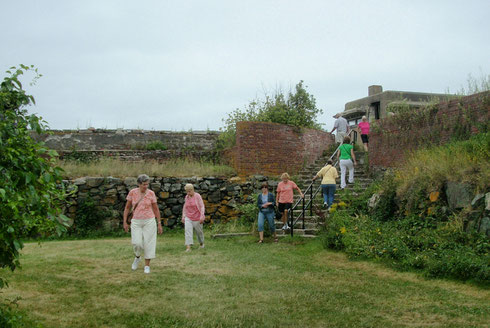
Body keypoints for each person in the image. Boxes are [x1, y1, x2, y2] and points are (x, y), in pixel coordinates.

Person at [123, 174, 163, 274]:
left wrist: (159, 223)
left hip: (149, 220)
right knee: (137, 243)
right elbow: (127, 208)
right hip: (136, 221)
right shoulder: (132, 192)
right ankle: (137, 257)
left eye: (147, 184)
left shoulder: (151, 193)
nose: (146, 186)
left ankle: (147, 266)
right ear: (139, 184)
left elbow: (155, 208)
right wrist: (125, 222)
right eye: (144, 184)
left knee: (149, 243)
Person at [181, 183, 205, 252]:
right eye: (187, 191)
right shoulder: (186, 197)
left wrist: (202, 216)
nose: (188, 193)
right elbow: (185, 207)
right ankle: (188, 247)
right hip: (188, 217)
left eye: (189, 191)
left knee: (199, 232)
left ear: (192, 190)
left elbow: (202, 206)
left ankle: (201, 244)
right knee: (187, 231)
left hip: (197, 217)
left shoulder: (197, 196)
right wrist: (183, 216)